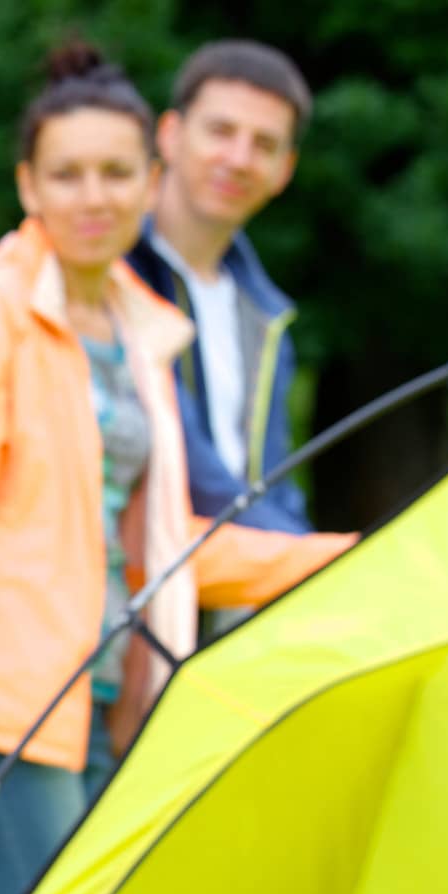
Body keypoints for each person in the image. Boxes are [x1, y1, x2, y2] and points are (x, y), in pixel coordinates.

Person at [0, 44, 355, 894]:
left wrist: (351, 559)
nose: (94, 196)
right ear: (28, 184)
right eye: (68, 174)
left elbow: (166, 543)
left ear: (150, 178)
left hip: (104, 701)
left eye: (116, 173)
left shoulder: (138, 330)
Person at [128, 40, 314, 534]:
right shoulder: (110, 273)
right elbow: (194, 480)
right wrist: (305, 554)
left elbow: (271, 484)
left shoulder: (268, 317)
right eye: (221, 131)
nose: (238, 159)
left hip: (232, 598)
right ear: (169, 135)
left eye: (264, 144)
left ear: (284, 171)